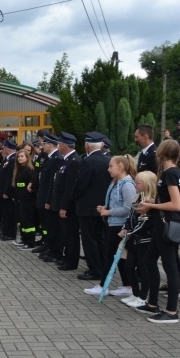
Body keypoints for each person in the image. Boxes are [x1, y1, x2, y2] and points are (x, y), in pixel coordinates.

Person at [134, 139, 180, 323]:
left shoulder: (171, 173)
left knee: (169, 266)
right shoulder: (173, 172)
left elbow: (176, 204)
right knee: (149, 260)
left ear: (161, 154)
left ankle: (171, 311)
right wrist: (152, 203)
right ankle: (153, 303)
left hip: (166, 223)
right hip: (161, 223)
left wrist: (151, 206)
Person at [87, 154, 136, 295]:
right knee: (118, 256)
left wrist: (108, 212)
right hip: (113, 223)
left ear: (120, 167)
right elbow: (115, 203)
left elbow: (128, 208)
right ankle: (127, 285)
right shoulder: (115, 183)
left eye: (111, 166)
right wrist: (104, 208)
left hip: (119, 225)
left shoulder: (127, 185)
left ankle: (103, 286)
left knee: (110, 255)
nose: (108, 169)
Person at [74, 132, 111, 281]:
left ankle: (95, 269)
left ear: (87, 145)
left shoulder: (88, 162)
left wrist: (74, 196)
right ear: (101, 145)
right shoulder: (107, 160)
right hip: (103, 206)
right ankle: (103, 266)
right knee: (101, 238)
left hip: (87, 207)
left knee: (89, 240)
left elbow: (81, 185)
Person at [118, 171, 157, 308]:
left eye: (138, 183)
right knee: (129, 267)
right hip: (133, 239)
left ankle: (143, 296)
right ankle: (135, 293)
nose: (135, 185)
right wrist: (125, 228)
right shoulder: (137, 197)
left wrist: (129, 233)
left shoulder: (150, 201)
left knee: (143, 269)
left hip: (144, 241)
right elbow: (130, 217)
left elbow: (145, 222)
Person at [51, 133, 81, 271]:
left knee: (70, 235)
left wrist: (64, 207)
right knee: (65, 234)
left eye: (59, 144)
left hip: (68, 207)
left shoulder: (74, 161)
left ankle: (71, 261)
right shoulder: (66, 160)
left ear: (64, 145)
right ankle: (66, 257)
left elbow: (69, 188)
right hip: (61, 204)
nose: (58, 147)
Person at [37, 134, 63, 260]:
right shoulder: (49, 158)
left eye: (44, 144)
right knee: (47, 224)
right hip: (43, 195)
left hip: (49, 198)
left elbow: (53, 183)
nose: (42, 146)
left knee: (53, 226)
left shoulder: (56, 159)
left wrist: (48, 200)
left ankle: (54, 250)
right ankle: (48, 245)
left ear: (51, 145)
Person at [12, 149, 36, 249]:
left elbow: (32, 184)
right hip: (20, 199)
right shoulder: (19, 169)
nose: (20, 158)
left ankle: (30, 242)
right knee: (22, 221)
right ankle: (24, 239)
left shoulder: (28, 169)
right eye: (18, 156)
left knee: (28, 221)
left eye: (22, 156)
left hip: (28, 200)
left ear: (27, 157)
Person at [0, 141, 18, 241]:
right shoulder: (7, 159)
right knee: (5, 214)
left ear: (8, 149)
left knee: (10, 214)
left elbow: (10, 178)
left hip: (7, 192)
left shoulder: (13, 160)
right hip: (2, 190)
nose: (3, 150)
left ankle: (10, 234)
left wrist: (6, 191)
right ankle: (5, 231)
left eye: (4, 148)